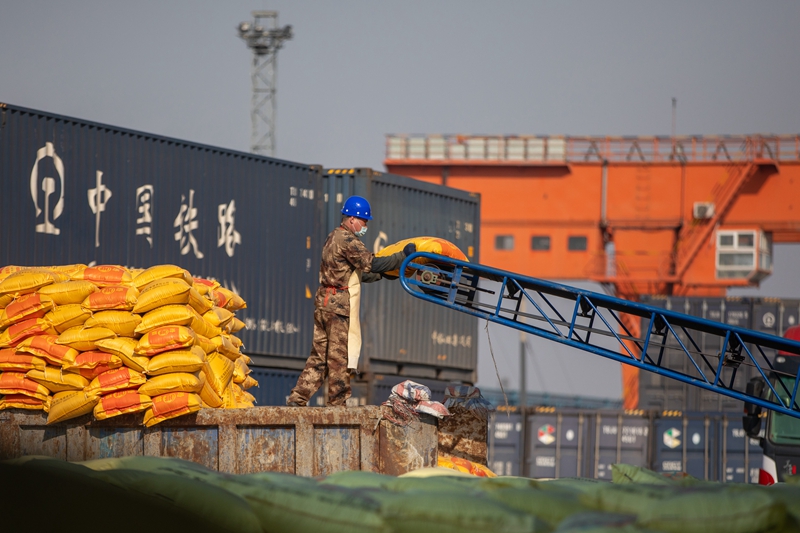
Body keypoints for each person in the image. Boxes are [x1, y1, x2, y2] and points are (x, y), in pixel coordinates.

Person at [286, 195, 415, 407]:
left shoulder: (333, 237)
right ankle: (337, 405)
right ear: (352, 219)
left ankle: (297, 400)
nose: (365, 226)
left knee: (319, 357)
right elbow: (372, 264)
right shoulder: (347, 240)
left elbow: (359, 275)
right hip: (337, 306)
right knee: (339, 358)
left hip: (324, 303)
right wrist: (403, 257)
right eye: (364, 221)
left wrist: (388, 274)